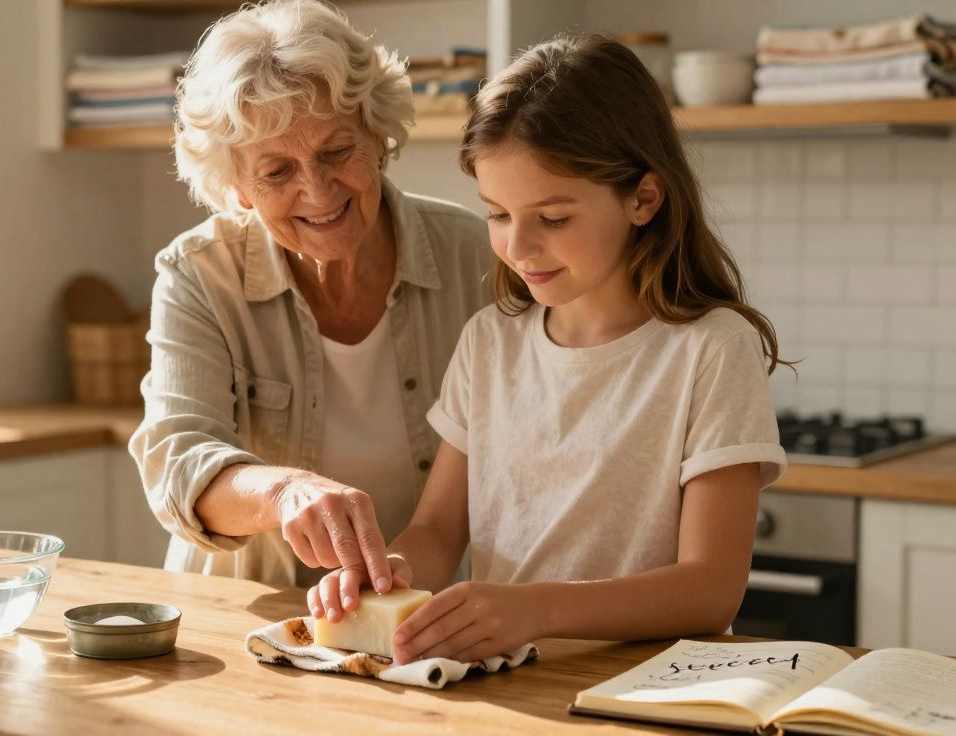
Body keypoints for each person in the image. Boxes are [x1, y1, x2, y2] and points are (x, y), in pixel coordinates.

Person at [309, 33, 790, 663]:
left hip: (651, 690)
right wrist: (385, 572)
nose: (519, 246)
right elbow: (436, 529)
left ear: (643, 198)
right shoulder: (489, 341)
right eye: (498, 215)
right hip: (510, 685)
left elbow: (710, 590)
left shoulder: (711, 350)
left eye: (553, 218)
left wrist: (535, 607)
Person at [128, 0, 491, 591]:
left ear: (379, 136)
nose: (317, 191)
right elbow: (179, 461)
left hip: (415, 614)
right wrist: (284, 491)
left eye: (337, 151)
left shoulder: (477, 255)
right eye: (276, 172)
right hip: (245, 610)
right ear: (237, 189)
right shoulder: (198, 273)